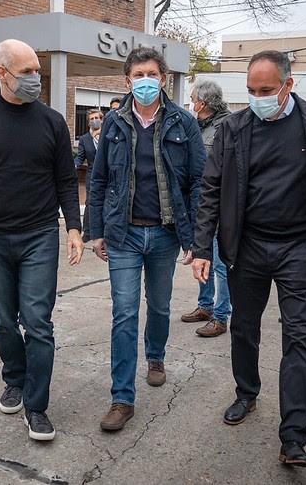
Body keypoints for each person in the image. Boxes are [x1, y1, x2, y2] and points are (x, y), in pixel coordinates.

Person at [192, 50, 306, 467]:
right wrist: (202, 247)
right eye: (251, 90)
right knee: (244, 328)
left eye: (266, 90)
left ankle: (294, 436)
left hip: (299, 247)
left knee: (298, 336)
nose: (258, 98)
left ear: (288, 84)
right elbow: (211, 188)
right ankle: (246, 393)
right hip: (247, 247)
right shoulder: (234, 127)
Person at [0, 39, 83, 442]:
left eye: (37, 70)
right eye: (27, 72)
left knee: (37, 321)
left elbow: (66, 180)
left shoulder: (52, 121)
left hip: (40, 234)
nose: (35, 78)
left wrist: (74, 228)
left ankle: (36, 406)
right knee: (4, 320)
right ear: (2, 74)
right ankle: (15, 379)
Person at [89, 46, 205, 432]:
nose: (145, 81)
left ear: (163, 79)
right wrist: (96, 231)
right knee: (124, 313)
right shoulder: (113, 123)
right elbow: (99, 178)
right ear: (127, 81)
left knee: (159, 306)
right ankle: (122, 398)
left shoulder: (183, 122)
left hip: (165, 233)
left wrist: (196, 237)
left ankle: (156, 356)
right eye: (138, 75)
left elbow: (198, 181)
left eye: (151, 74)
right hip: (123, 234)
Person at [180, 80, 232, 338]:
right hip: (201, 205)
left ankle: (221, 317)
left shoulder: (227, 126)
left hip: (220, 205)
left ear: (203, 103)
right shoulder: (196, 126)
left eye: (193, 99)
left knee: (221, 265)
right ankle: (205, 306)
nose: (191, 103)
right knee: (203, 257)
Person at [75, 109, 102, 242]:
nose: (94, 120)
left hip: (107, 175)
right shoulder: (84, 139)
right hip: (92, 175)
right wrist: (73, 166)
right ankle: (88, 231)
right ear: (88, 123)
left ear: (101, 120)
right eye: (92, 119)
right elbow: (80, 157)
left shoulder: (107, 136)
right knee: (90, 202)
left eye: (97, 118)